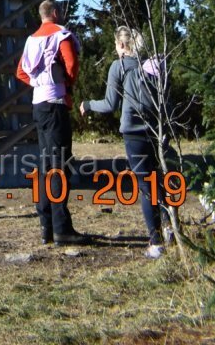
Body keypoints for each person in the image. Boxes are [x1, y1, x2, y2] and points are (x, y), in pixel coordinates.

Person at [80, 28, 173, 258]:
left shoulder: (119, 66)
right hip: (156, 131)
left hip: (134, 132)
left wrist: (88, 104)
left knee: (145, 186)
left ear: (122, 45)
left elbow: (110, 104)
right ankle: (170, 228)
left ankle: (155, 242)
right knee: (159, 181)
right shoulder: (152, 65)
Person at [16, 0, 81, 245]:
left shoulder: (31, 40)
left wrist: (38, 84)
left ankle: (46, 225)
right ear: (55, 13)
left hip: (38, 104)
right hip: (55, 103)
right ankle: (62, 228)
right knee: (59, 165)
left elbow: (21, 71)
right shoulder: (61, 35)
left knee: (45, 165)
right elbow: (72, 64)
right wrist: (65, 84)